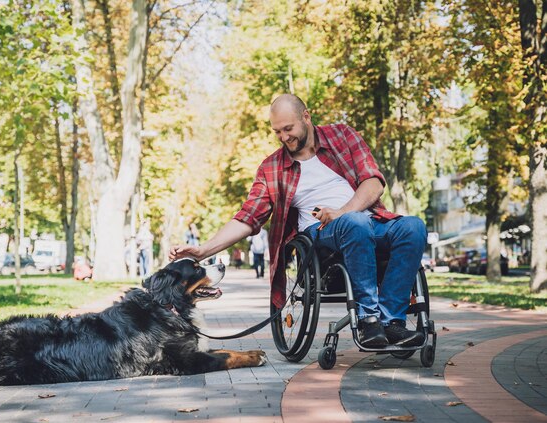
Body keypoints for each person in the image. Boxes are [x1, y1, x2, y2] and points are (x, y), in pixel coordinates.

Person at [170, 94, 426, 348]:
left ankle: (392, 321)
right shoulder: (272, 168)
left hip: (367, 220)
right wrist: (203, 250)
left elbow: (373, 182)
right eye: (277, 132)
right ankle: (369, 320)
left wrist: (344, 211)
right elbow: (248, 217)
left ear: (306, 117)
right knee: (355, 224)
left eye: (288, 128)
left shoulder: (343, 136)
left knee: (413, 227)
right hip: (321, 235)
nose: (283, 137)